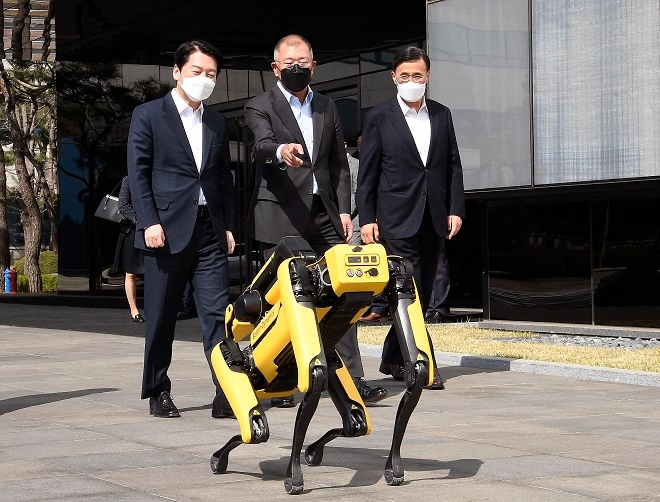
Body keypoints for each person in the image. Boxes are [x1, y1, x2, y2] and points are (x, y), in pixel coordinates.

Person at [244, 34, 388, 407]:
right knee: (282, 300)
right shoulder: (260, 105)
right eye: (289, 62)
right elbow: (261, 145)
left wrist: (343, 208)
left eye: (303, 61)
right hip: (280, 212)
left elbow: (338, 165)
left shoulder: (327, 106)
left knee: (344, 292)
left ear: (314, 64)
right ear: (276, 67)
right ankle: (277, 378)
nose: (297, 67)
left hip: (325, 214)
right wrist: (281, 150)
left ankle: (353, 379)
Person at [128, 40, 236, 419]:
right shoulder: (149, 115)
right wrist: (149, 222)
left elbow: (223, 178)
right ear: (177, 72)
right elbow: (138, 175)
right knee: (161, 314)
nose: (204, 79)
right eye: (196, 72)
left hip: (208, 230)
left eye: (211, 74)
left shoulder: (217, 121)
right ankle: (158, 390)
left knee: (216, 314)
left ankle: (226, 390)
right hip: (166, 230)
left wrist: (227, 225)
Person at [357, 46, 466, 390]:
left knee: (420, 288)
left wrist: (456, 208)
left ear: (428, 77)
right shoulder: (379, 116)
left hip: (433, 216)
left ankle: (391, 357)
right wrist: (368, 217)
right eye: (404, 76)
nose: (411, 81)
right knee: (412, 292)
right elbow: (368, 173)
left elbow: (452, 166)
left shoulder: (441, 114)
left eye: (417, 75)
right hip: (395, 217)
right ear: (394, 78)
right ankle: (420, 364)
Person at [114, 175, 145, 323]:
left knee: (154, 273)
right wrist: (142, 222)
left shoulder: (156, 178)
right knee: (131, 273)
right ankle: (134, 310)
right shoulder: (128, 180)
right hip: (132, 231)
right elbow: (123, 205)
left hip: (153, 231)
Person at [346, 136, 361, 245]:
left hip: (353, 222)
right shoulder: (328, 166)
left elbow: (357, 194)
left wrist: (343, 213)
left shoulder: (356, 164)